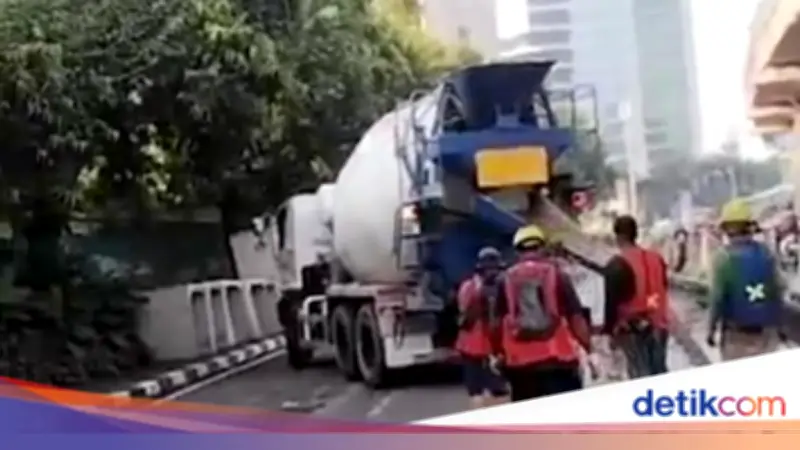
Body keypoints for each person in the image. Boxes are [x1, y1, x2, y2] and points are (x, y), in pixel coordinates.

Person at [497, 224, 597, 402]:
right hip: (558, 359)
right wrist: (588, 348)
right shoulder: (559, 276)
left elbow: (496, 323)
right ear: (542, 247)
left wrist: (498, 354)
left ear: (517, 251)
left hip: (520, 365)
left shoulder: (504, 280)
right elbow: (576, 318)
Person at [705, 198, 787, 361]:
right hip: (767, 334)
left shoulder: (723, 258)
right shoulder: (766, 253)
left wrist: (711, 330)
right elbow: (779, 290)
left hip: (737, 337)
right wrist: (781, 326)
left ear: (727, 230)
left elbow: (717, 298)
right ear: (750, 227)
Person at [602, 215, 670, 379]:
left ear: (618, 236)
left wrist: (610, 332)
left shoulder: (616, 263)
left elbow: (611, 303)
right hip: (659, 325)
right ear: (636, 234)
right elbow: (664, 286)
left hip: (632, 329)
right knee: (659, 372)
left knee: (639, 374)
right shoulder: (657, 258)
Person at [455, 247, 510, 409]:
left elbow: (462, 310)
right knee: (500, 392)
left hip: (469, 346)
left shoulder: (468, 286)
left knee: (475, 392)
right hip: (494, 347)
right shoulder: (503, 286)